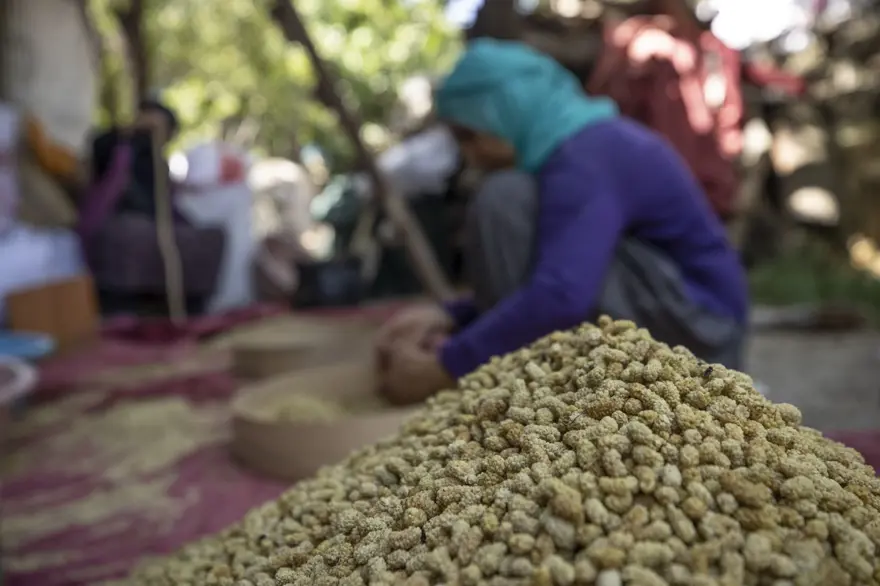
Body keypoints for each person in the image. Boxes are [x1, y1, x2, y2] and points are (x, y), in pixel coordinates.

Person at [376, 39, 749, 406]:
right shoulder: (579, 147)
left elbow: (562, 296)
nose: (469, 154)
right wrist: (453, 316)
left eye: (468, 135)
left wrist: (448, 366)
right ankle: (523, 374)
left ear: (503, 112)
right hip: (685, 315)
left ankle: (523, 384)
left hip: (701, 331)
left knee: (503, 199)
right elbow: (559, 272)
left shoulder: (589, 153)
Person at [587, 0, 805, 220]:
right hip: (670, 169)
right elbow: (610, 101)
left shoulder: (712, 43)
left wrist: (795, 84)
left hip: (711, 164)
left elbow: (747, 73)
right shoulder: (644, 42)